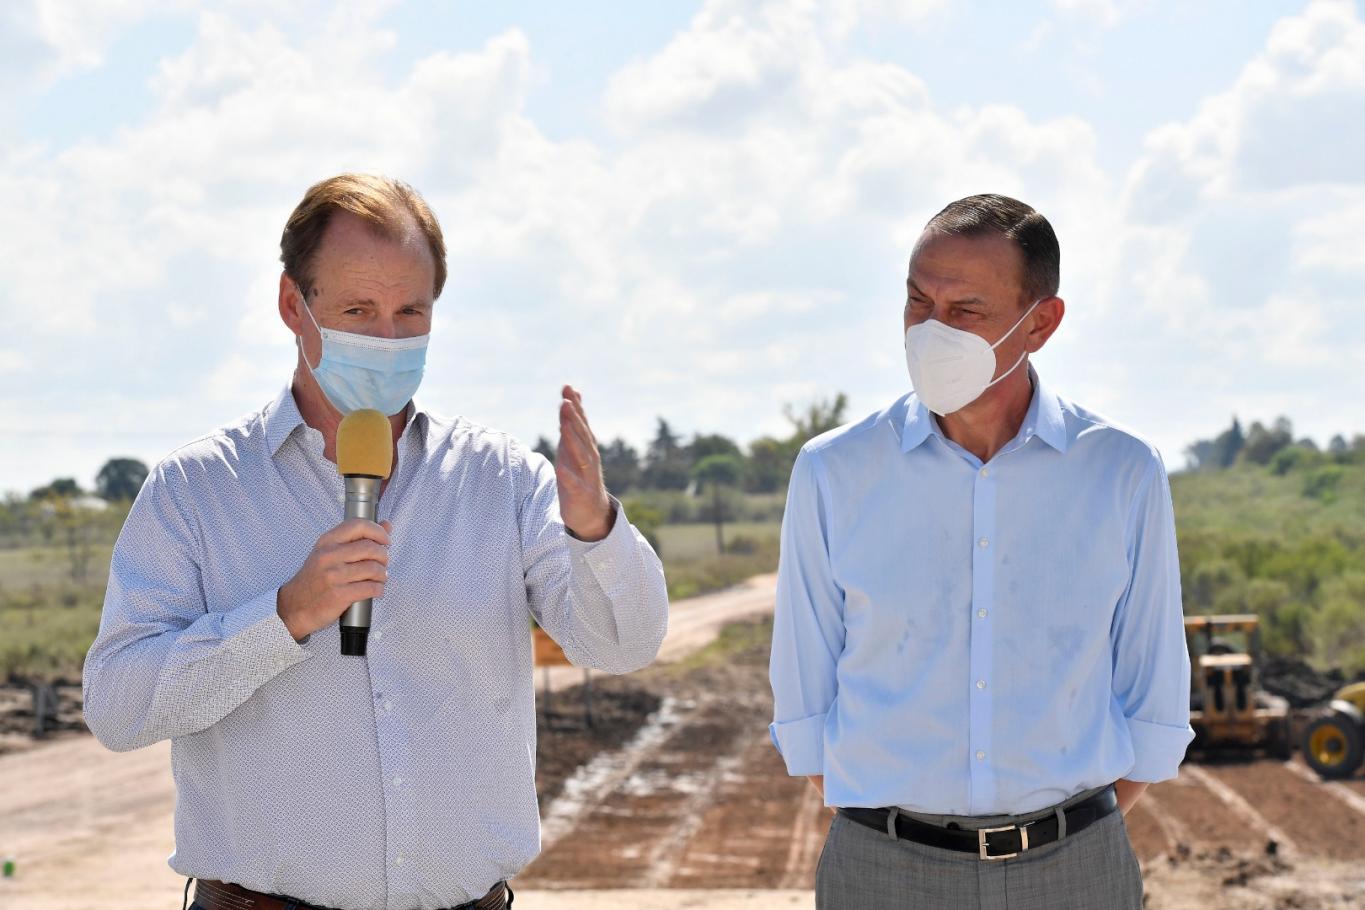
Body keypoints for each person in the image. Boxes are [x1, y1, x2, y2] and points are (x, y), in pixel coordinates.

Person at [82, 174, 669, 910]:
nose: (387, 339)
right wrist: (282, 616)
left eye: (409, 311)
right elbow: (117, 706)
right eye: (358, 310)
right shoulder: (195, 491)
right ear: (294, 305)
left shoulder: (502, 480)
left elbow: (623, 645)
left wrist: (595, 530)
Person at [768, 194, 1193, 909]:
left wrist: (1059, 834)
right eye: (916, 302)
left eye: (965, 312)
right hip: (882, 870)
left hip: (1073, 870)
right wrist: (895, 829)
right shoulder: (832, 470)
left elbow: (1151, 686)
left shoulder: (1121, 471)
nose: (931, 331)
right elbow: (804, 686)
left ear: (1040, 323)